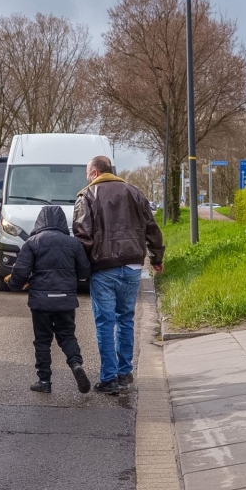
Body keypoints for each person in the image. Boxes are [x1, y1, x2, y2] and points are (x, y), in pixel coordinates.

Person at [73, 156, 164, 395]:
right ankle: (125, 372)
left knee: (105, 322)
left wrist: (81, 268)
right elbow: (152, 228)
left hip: (104, 267)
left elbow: (83, 236)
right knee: (126, 319)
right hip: (134, 265)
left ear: (94, 172)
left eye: (87, 174)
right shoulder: (134, 192)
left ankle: (109, 377)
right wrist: (157, 258)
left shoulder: (87, 196)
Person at [6, 206, 92, 394]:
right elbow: (85, 271)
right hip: (66, 300)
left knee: (43, 341)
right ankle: (76, 364)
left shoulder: (32, 243)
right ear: (62, 221)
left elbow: (21, 271)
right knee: (67, 336)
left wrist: (14, 285)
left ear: (40, 221)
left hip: (41, 302)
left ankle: (44, 381)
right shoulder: (73, 244)